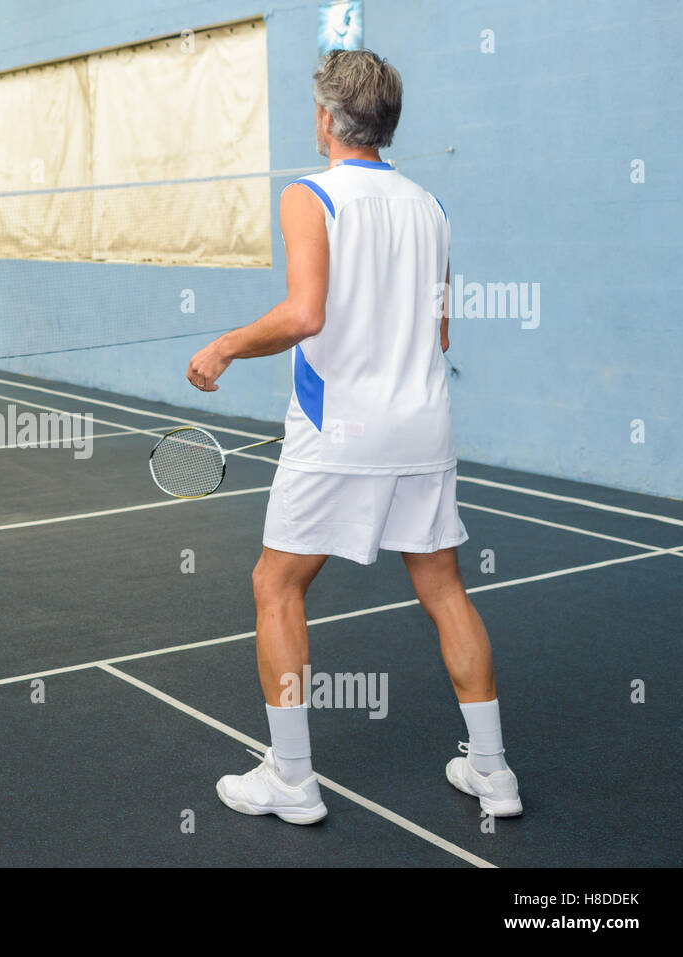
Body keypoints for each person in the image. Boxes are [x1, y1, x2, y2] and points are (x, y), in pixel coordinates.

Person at [187, 49, 520, 824]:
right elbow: (438, 334)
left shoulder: (310, 196)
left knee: (277, 584)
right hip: (423, 427)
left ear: (328, 120)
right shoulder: (431, 207)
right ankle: (494, 773)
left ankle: (292, 779)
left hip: (339, 433)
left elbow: (307, 314)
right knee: (443, 587)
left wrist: (227, 345)